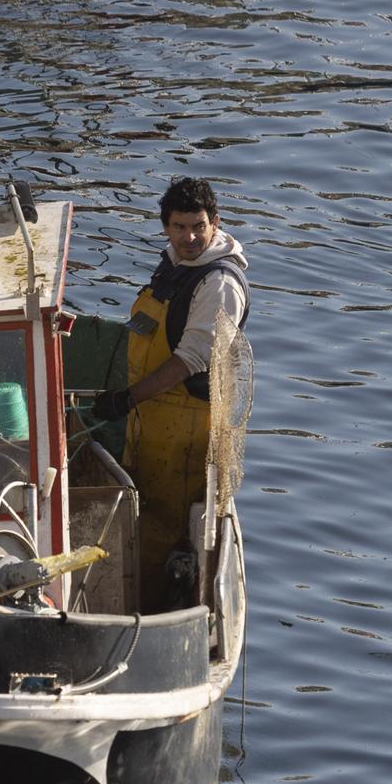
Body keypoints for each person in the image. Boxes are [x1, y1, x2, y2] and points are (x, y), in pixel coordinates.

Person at [94, 177, 251, 604]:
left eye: (199, 226)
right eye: (180, 227)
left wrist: (127, 399)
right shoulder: (174, 265)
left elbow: (192, 359)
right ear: (165, 227)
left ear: (215, 223)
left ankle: (153, 611)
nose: (190, 237)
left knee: (164, 526)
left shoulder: (219, 283)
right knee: (141, 517)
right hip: (151, 419)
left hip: (184, 430)